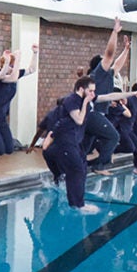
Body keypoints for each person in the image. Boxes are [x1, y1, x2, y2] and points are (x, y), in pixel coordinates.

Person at [43, 76, 98, 213]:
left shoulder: (83, 99)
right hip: (66, 142)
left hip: (72, 142)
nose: (93, 94)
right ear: (81, 89)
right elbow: (79, 120)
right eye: (90, 91)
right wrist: (85, 103)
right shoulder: (72, 100)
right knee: (76, 169)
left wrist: (132, 94)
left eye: (94, 91)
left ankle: (61, 182)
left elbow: (108, 96)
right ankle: (77, 204)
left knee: (82, 167)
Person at [82, 18, 127, 174]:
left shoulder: (108, 74)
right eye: (105, 62)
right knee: (113, 137)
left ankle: (71, 169)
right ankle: (99, 166)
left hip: (95, 113)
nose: (109, 63)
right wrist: (114, 32)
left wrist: (126, 50)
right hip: (93, 113)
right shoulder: (98, 73)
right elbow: (109, 54)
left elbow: (117, 64)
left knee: (84, 147)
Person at [0, 45, 38, 156]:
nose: (12, 68)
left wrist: (35, 53)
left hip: (1, 119)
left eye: (13, 66)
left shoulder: (14, 74)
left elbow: (32, 69)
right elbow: (13, 78)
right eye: (10, 65)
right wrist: (17, 59)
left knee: (9, 149)